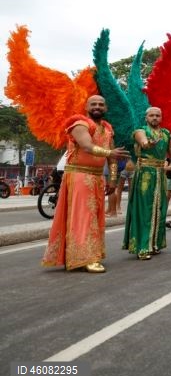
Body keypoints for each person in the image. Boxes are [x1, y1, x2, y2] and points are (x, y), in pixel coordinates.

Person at [42, 95, 130, 273]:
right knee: (84, 217)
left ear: (105, 108)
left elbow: (112, 158)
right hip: (79, 175)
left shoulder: (107, 127)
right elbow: (87, 146)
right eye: (94, 104)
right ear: (86, 107)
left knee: (95, 218)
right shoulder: (79, 123)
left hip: (97, 177)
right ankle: (86, 257)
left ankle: (81, 254)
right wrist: (110, 152)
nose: (97, 107)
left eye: (101, 104)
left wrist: (113, 178)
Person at [123, 107, 171, 260]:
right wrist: (149, 143)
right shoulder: (140, 131)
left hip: (160, 174)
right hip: (145, 174)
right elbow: (143, 143)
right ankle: (142, 246)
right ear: (146, 117)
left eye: (157, 115)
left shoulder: (166, 133)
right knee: (144, 209)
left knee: (160, 208)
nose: (155, 118)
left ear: (161, 117)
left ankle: (154, 244)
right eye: (151, 115)